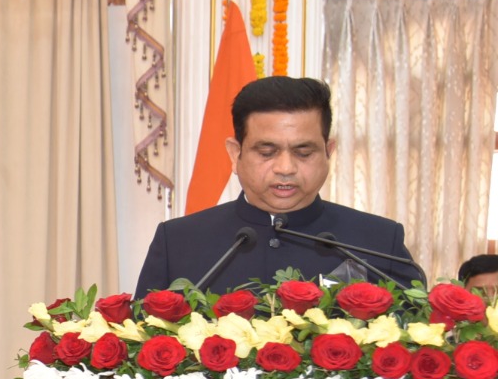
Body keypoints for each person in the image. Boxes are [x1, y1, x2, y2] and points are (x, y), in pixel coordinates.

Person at [135, 76, 421, 294]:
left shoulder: (379, 242)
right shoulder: (178, 243)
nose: (285, 168)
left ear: (328, 152)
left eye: (303, 153)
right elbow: (143, 345)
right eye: (266, 152)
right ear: (235, 154)